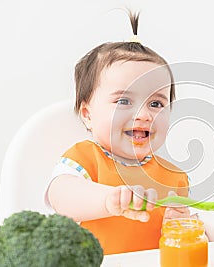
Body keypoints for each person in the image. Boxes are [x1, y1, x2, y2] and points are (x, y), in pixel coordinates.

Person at [46, 11, 191, 255]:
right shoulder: (84, 159)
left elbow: (197, 241)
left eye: (156, 104)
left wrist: (182, 228)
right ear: (87, 114)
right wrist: (109, 200)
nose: (144, 115)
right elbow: (61, 197)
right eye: (124, 100)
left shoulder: (174, 177)